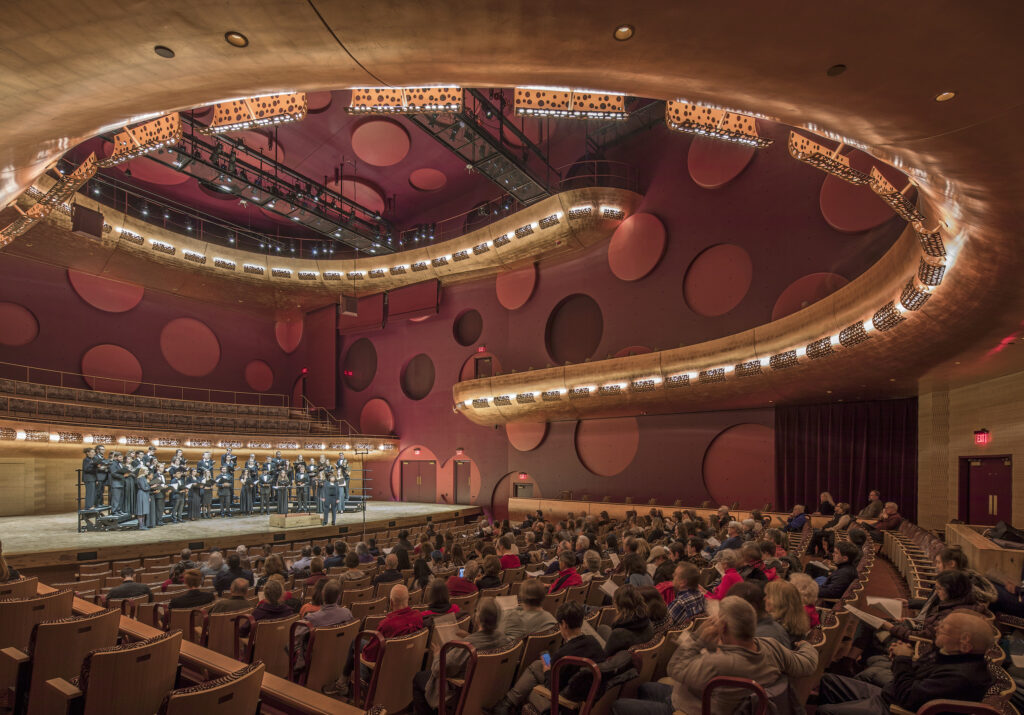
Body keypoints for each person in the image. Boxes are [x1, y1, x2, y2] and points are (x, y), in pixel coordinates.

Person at [612, 596, 817, 715]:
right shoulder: (771, 646)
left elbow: (674, 669)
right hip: (703, 699)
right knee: (646, 687)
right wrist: (806, 644)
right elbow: (808, 663)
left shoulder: (720, 664)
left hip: (692, 710)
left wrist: (698, 639)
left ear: (723, 626)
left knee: (618, 706)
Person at [817, 611, 994, 714]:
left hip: (894, 708)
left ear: (965, 643)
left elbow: (908, 697)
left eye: (944, 628)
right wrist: (900, 658)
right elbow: (912, 676)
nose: (937, 629)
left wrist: (903, 659)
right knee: (829, 681)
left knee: (825, 711)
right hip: (890, 694)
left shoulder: (960, 676)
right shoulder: (950, 654)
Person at [490, 600, 605, 715]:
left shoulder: (564, 655)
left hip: (564, 702)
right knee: (536, 665)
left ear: (564, 624)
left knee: (535, 674)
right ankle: (505, 705)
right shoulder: (594, 642)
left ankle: (506, 705)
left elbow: (551, 684)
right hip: (584, 692)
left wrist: (547, 666)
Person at [413, 598, 513, 715]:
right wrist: (469, 636)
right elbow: (485, 642)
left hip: (460, 693)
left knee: (419, 678)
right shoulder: (504, 640)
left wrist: (437, 655)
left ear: (477, 617)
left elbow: (438, 670)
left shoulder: (467, 648)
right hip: (488, 692)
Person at [602, 584, 654, 656]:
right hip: (635, 655)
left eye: (615, 602)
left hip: (619, 661)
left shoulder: (619, 633)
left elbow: (606, 655)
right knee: (603, 628)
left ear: (619, 606)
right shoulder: (648, 622)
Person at [765, 579, 810, 643]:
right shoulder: (795, 624)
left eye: (769, 597)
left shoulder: (773, 631)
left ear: (779, 602)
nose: (765, 599)